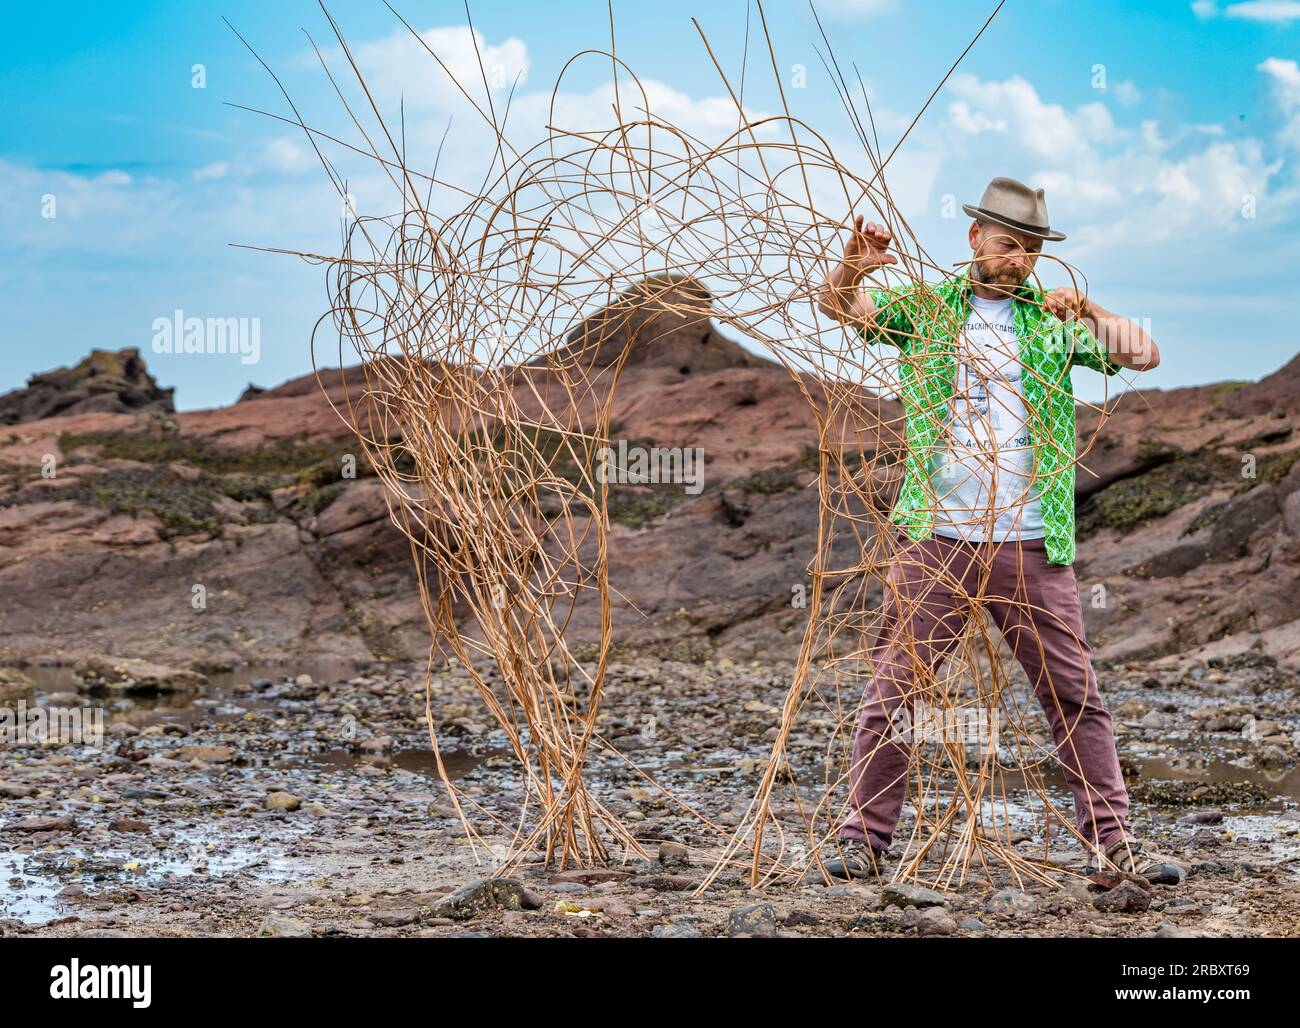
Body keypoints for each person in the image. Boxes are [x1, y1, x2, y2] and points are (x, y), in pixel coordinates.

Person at [815, 176, 1181, 885]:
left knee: (1074, 695)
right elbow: (841, 308)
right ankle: (863, 840)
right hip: (936, 537)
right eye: (1008, 243)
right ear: (975, 238)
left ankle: (1115, 844)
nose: (1019, 260)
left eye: (1032, 250)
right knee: (896, 691)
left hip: (1033, 542)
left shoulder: (1052, 322)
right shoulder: (924, 311)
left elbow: (1145, 355)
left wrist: (1090, 307)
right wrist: (854, 262)